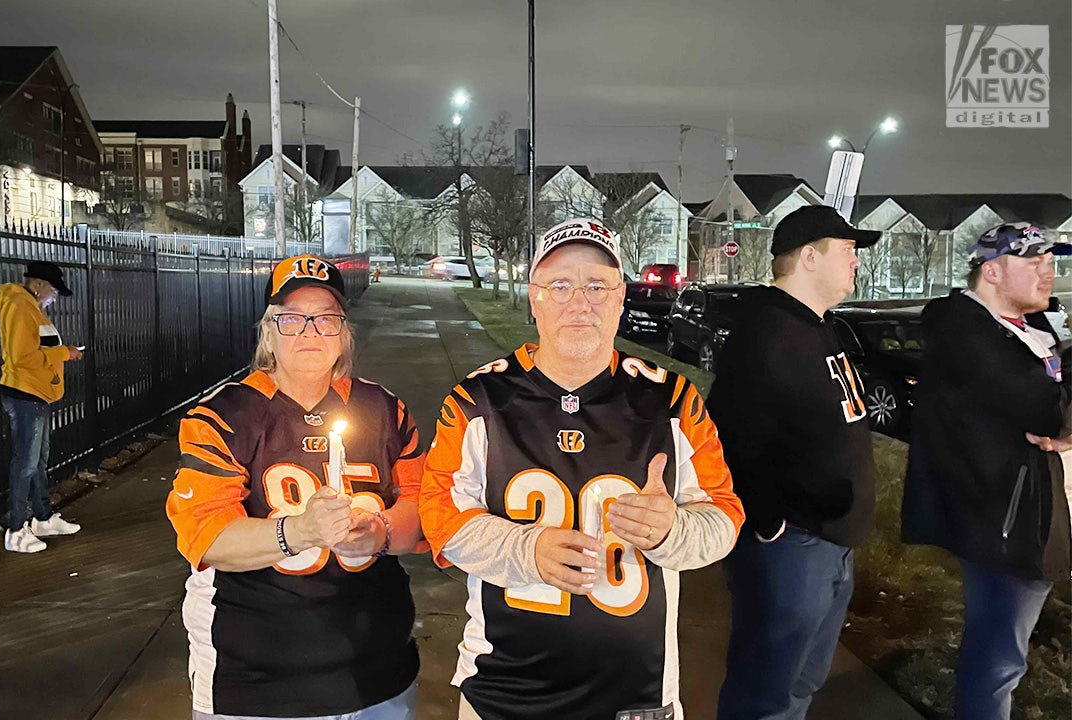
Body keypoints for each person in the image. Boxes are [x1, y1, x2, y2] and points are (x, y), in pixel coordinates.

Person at [421, 219, 744, 720]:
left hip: (637, 698)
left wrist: (672, 531)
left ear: (620, 299)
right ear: (534, 298)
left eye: (597, 286)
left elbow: (724, 519)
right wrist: (526, 548)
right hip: (504, 694)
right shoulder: (478, 401)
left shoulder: (673, 401)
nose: (580, 302)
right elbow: (439, 520)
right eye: (561, 286)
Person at [166, 255, 426, 720]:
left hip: (377, 670)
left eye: (325, 319)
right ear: (268, 331)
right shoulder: (223, 416)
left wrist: (380, 532)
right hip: (260, 681)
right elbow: (206, 538)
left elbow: (426, 510)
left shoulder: (384, 409)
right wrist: (299, 533)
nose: (310, 332)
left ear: (344, 332)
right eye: (292, 319)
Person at [707, 205, 881, 720]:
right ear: (809, 257)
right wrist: (770, 525)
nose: (855, 262)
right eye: (847, 251)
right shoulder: (767, 333)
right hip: (792, 548)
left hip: (830, 543)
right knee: (766, 691)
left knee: (800, 681)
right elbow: (728, 435)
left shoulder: (817, 326)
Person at [902, 222, 1071, 720]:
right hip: (1007, 521)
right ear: (992, 271)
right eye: (1034, 261)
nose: (1050, 272)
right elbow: (1048, 411)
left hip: (1027, 509)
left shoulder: (1025, 331)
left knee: (1000, 656)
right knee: (999, 661)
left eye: (1052, 261)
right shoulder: (967, 333)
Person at [0, 260, 84, 554]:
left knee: (37, 460)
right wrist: (64, 353)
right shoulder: (21, 307)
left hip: (36, 393)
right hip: (25, 393)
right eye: (54, 290)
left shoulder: (31, 308)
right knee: (26, 464)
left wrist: (60, 354)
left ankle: (42, 517)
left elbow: (35, 350)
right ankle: (17, 530)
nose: (54, 297)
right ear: (38, 285)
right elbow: (23, 356)